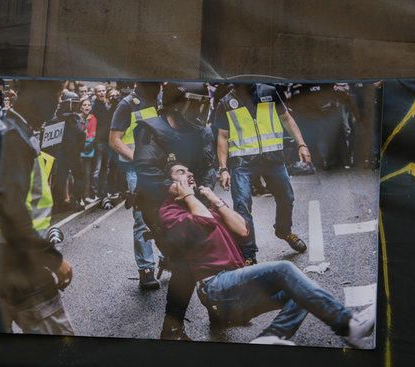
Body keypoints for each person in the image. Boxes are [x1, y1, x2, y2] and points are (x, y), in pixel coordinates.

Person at [158, 163, 376, 347]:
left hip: (237, 288)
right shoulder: (169, 212)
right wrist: (187, 194)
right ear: (169, 185)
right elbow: (204, 222)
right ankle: (348, 325)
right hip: (215, 286)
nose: (189, 174)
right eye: (181, 172)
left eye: (189, 171)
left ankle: (269, 338)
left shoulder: (202, 206)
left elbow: (243, 230)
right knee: (283, 269)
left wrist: (215, 200)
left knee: (300, 293)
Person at [0, 80, 74, 335]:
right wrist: (52, 259)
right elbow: (12, 209)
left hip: (2, 256)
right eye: (57, 93)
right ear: (38, 92)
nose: (58, 102)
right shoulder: (14, 135)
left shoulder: (13, 128)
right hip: (21, 259)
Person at [131, 82, 216, 340]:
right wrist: (178, 190)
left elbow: (207, 166)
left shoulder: (201, 132)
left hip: (192, 199)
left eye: (204, 103)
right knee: (186, 262)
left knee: (218, 248)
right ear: (177, 102)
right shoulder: (151, 131)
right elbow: (146, 174)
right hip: (159, 205)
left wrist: (204, 191)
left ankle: (218, 305)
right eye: (195, 103)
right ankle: (172, 328)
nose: (200, 109)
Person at [216, 83, 311, 264]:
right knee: (242, 205)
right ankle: (249, 253)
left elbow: (286, 118)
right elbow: (223, 136)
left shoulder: (268, 92)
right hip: (242, 162)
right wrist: (223, 168)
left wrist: (301, 144)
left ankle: (284, 231)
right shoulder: (226, 102)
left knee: (287, 197)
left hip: (273, 158)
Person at [109, 82, 161, 289]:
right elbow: (114, 140)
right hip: (136, 169)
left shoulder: (162, 100)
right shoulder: (127, 104)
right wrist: (139, 159)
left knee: (168, 211)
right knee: (142, 218)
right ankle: (146, 269)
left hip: (161, 166)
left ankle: (169, 256)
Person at [49, 89, 86, 214]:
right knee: (74, 176)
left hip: (63, 154)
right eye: (74, 103)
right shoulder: (72, 119)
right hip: (70, 153)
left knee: (61, 178)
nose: (76, 106)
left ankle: (60, 204)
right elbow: (81, 134)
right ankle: (75, 201)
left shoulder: (56, 118)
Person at [91, 84, 114, 202]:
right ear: (96, 93)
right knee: (97, 169)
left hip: (107, 141)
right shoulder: (95, 107)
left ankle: (103, 191)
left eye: (103, 91)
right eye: (99, 91)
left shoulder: (107, 105)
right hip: (99, 141)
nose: (101, 93)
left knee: (106, 168)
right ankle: (96, 192)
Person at [79, 97, 98, 203]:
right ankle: (79, 196)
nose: (87, 107)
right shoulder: (77, 118)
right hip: (77, 150)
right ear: (80, 107)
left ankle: (86, 195)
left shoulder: (93, 118)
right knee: (79, 174)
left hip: (88, 150)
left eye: (88, 105)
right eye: (84, 105)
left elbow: (92, 134)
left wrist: (85, 137)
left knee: (87, 173)